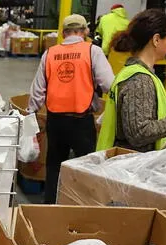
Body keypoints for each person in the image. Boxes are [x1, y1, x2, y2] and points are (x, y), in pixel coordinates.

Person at [28, 14, 114, 204]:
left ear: (63, 33)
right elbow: (109, 84)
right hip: (81, 121)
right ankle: (81, 206)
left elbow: (37, 89)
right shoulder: (93, 51)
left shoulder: (50, 53)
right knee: (86, 168)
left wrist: (31, 112)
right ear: (85, 31)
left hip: (55, 120)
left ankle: (49, 207)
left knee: (54, 166)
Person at [97, 9, 166, 153]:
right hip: (130, 167)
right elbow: (140, 133)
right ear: (156, 40)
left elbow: (142, 118)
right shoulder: (139, 80)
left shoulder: (136, 73)